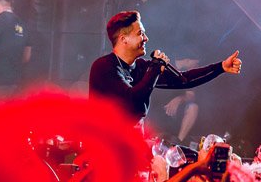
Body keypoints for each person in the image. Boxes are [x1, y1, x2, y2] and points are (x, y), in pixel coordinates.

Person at [89, 10, 242, 127]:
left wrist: (221, 67)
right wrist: (155, 68)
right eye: (140, 33)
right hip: (102, 148)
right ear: (124, 39)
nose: (146, 38)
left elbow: (184, 79)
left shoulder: (141, 67)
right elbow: (133, 104)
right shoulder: (104, 67)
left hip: (128, 144)